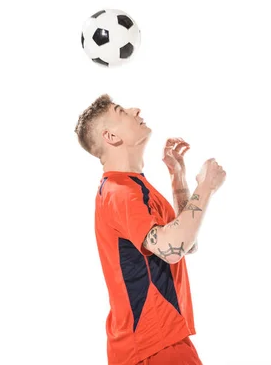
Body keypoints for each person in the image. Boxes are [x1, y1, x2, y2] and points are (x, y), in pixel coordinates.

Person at [74, 94, 226, 365]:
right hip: (152, 345)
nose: (136, 109)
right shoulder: (120, 192)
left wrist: (177, 177)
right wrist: (206, 187)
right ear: (110, 136)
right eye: (122, 111)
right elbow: (173, 249)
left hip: (153, 341)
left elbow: (186, 243)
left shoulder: (131, 187)